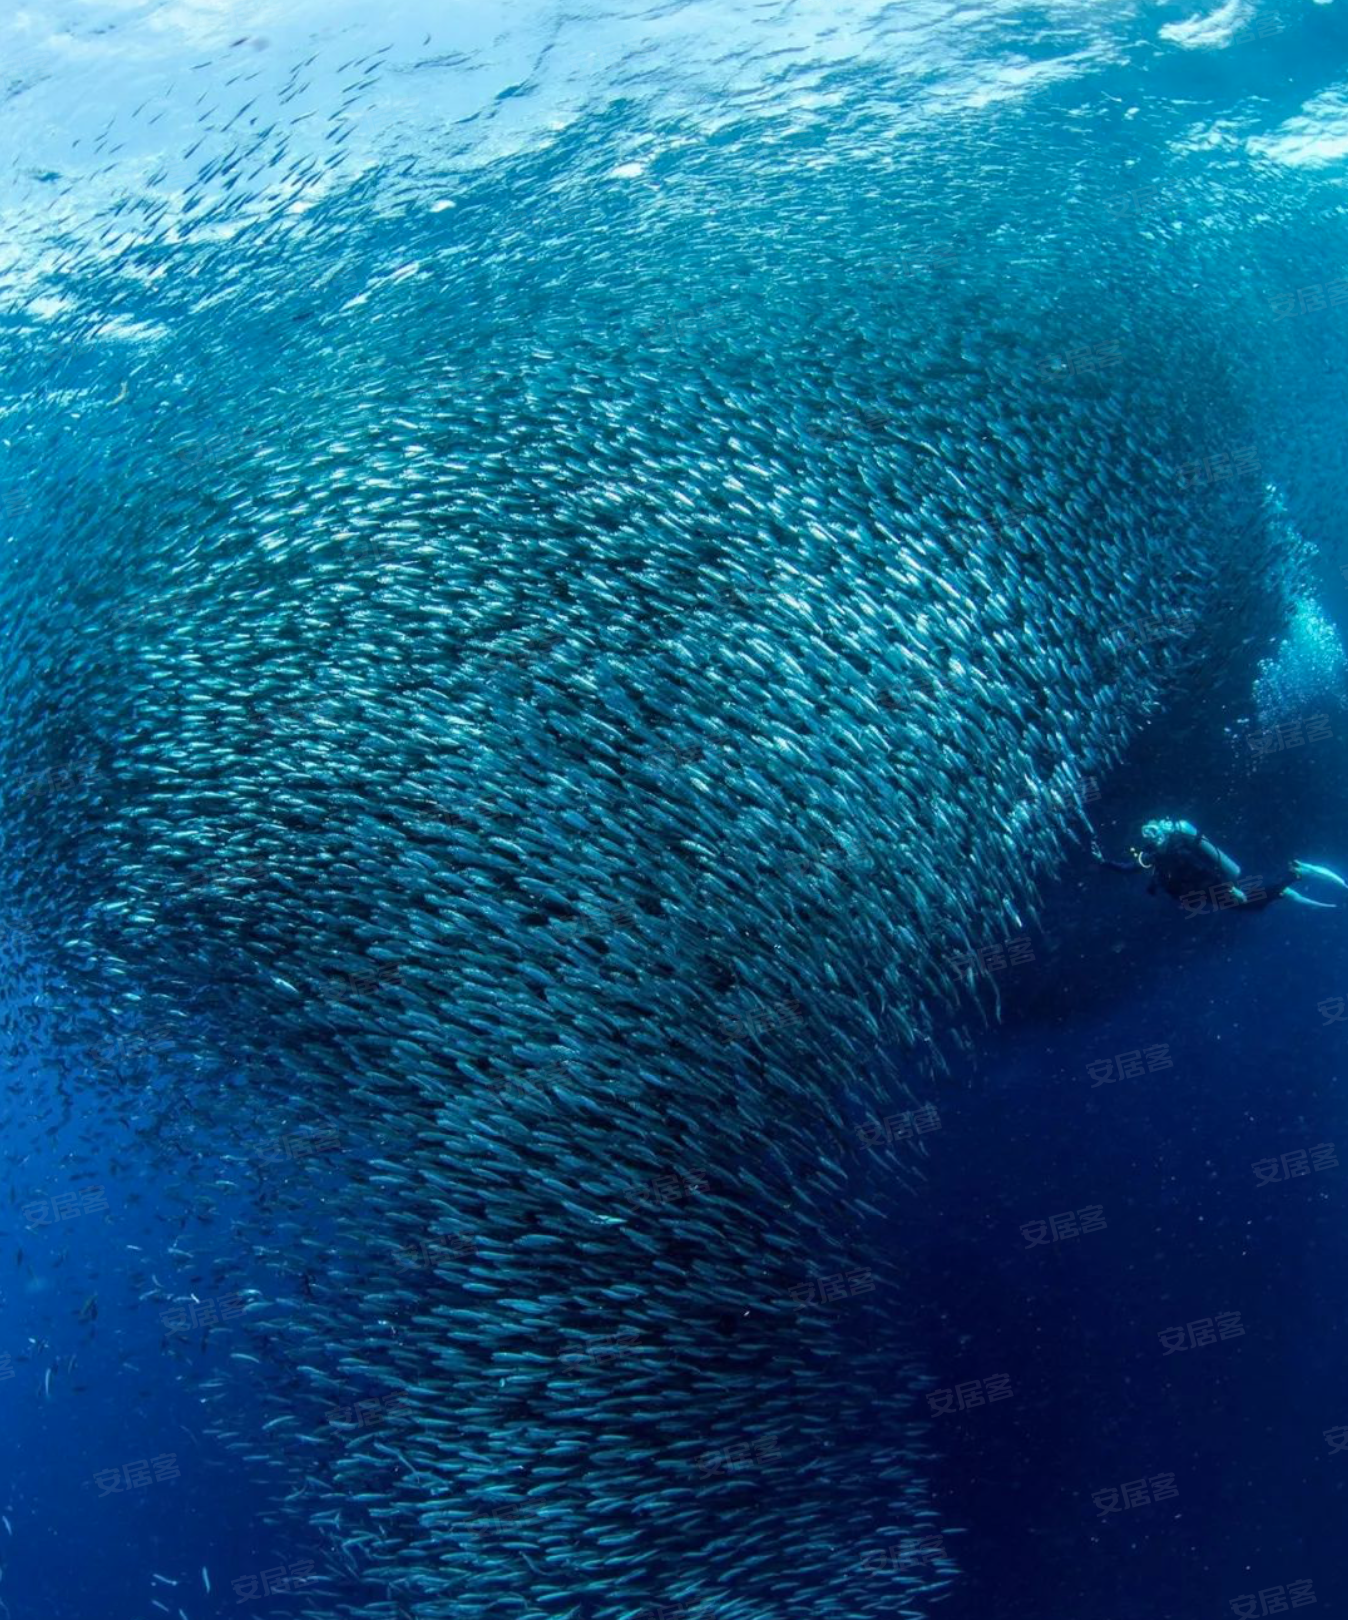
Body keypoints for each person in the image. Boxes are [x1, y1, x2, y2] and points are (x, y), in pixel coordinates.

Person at [1093, 817, 1347, 911]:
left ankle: (1295, 874)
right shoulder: (1153, 855)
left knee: (1250, 902)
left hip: (1214, 887)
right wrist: (1104, 862)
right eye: (1145, 833)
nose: (1149, 836)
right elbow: (1129, 868)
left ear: (1162, 830)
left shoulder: (1178, 848)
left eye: (1152, 830)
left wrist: (1227, 887)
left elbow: (1204, 869)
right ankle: (1285, 886)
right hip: (1204, 895)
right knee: (1250, 907)